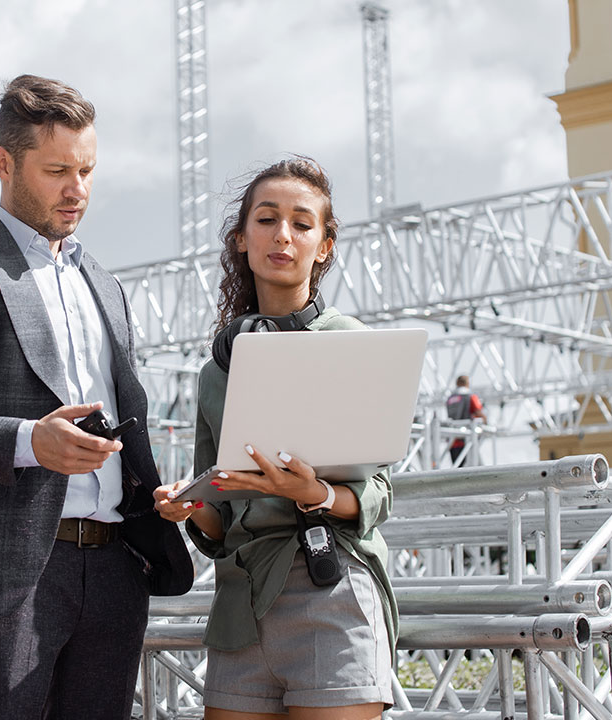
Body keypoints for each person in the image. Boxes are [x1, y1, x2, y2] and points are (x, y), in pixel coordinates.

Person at [0, 74, 193, 720]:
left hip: (113, 572)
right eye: (57, 171)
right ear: (4, 163)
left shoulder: (102, 284)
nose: (77, 189)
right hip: (5, 578)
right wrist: (29, 443)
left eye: (87, 170)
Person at [155, 157, 397, 720]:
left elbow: (379, 494)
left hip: (330, 588)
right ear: (241, 239)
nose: (282, 235)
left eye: (302, 223)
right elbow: (218, 520)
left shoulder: (353, 344)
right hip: (240, 602)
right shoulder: (217, 369)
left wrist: (311, 493)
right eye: (266, 219)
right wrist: (189, 506)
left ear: (325, 245)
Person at [445, 375, 485, 467]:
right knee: (469, 469)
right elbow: (478, 412)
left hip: (452, 439)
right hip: (466, 439)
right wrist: (485, 421)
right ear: (467, 383)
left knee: (457, 468)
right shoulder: (470, 396)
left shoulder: (450, 399)